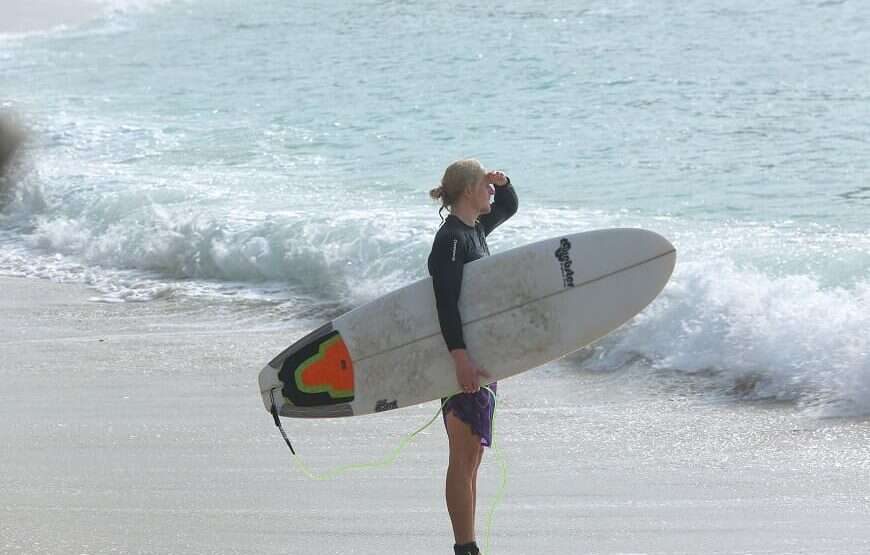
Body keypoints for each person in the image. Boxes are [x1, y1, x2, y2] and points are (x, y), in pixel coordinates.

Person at [427, 159, 518, 555]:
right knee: (462, 456)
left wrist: (503, 180)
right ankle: (465, 547)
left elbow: (509, 205)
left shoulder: (475, 230)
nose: (491, 191)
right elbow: (445, 303)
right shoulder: (450, 239)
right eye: (485, 184)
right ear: (468, 190)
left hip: (480, 359)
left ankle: (469, 542)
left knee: (474, 455)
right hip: (461, 358)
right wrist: (459, 358)